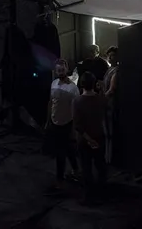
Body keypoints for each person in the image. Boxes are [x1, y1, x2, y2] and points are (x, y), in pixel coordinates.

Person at [73, 71, 109, 203]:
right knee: (101, 166)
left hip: (84, 140)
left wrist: (89, 140)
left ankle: (89, 197)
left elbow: (78, 126)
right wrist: (103, 87)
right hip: (99, 136)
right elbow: (106, 100)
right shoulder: (100, 99)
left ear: (81, 84)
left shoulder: (77, 101)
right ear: (94, 84)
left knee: (86, 168)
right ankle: (103, 194)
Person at [46, 59, 80, 187]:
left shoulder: (73, 88)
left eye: (62, 70)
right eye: (58, 70)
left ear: (67, 69)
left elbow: (77, 108)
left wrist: (75, 127)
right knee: (65, 149)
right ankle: (74, 170)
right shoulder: (53, 84)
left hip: (68, 123)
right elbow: (51, 102)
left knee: (63, 151)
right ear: (55, 71)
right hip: (55, 123)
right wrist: (48, 120)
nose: (60, 72)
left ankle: (60, 178)